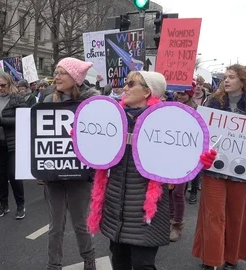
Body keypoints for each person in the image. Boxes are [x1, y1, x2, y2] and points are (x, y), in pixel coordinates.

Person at [86, 71, 216, 270]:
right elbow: (98, 155)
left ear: (147, 91)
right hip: (115, 207)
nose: (125, 87)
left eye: (131, 84)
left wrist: (200, 161)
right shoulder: (112, 118)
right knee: (119, 262)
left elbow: (183, 156)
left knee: (142, 266)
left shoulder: (167, 123)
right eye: (126, 83)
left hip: (145, 209)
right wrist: (84, 138)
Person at [193, 64, 246, 270]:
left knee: (236, 216)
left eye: (231, 77)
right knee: (213, 215)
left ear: (242, 81)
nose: (226, 80)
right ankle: (211, 260)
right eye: (225, 77)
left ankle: (231, 258)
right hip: (214, 170)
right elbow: (201, 132)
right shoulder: (214, 102)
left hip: (241, 173)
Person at [43, 58, 99, 270]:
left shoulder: (93, 102)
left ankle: (89, 260)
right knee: (55, 225)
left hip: (80, 173)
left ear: (75, 77)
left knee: (80, 223)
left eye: (62, 73)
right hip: (54, 174)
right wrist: (38, 165)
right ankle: (53, 265)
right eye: (55, 72)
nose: (56, 76)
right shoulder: (48, 100)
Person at [0, 72, 27, 219]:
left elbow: (23, 120)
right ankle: (3, 205)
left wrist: (1, 121)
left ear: (10, 84)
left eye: (3, 85)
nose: (0, 88)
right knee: (1, 176)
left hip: (13, 143)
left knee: (14, 175)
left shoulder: (18, 98)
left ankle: (20, 205)